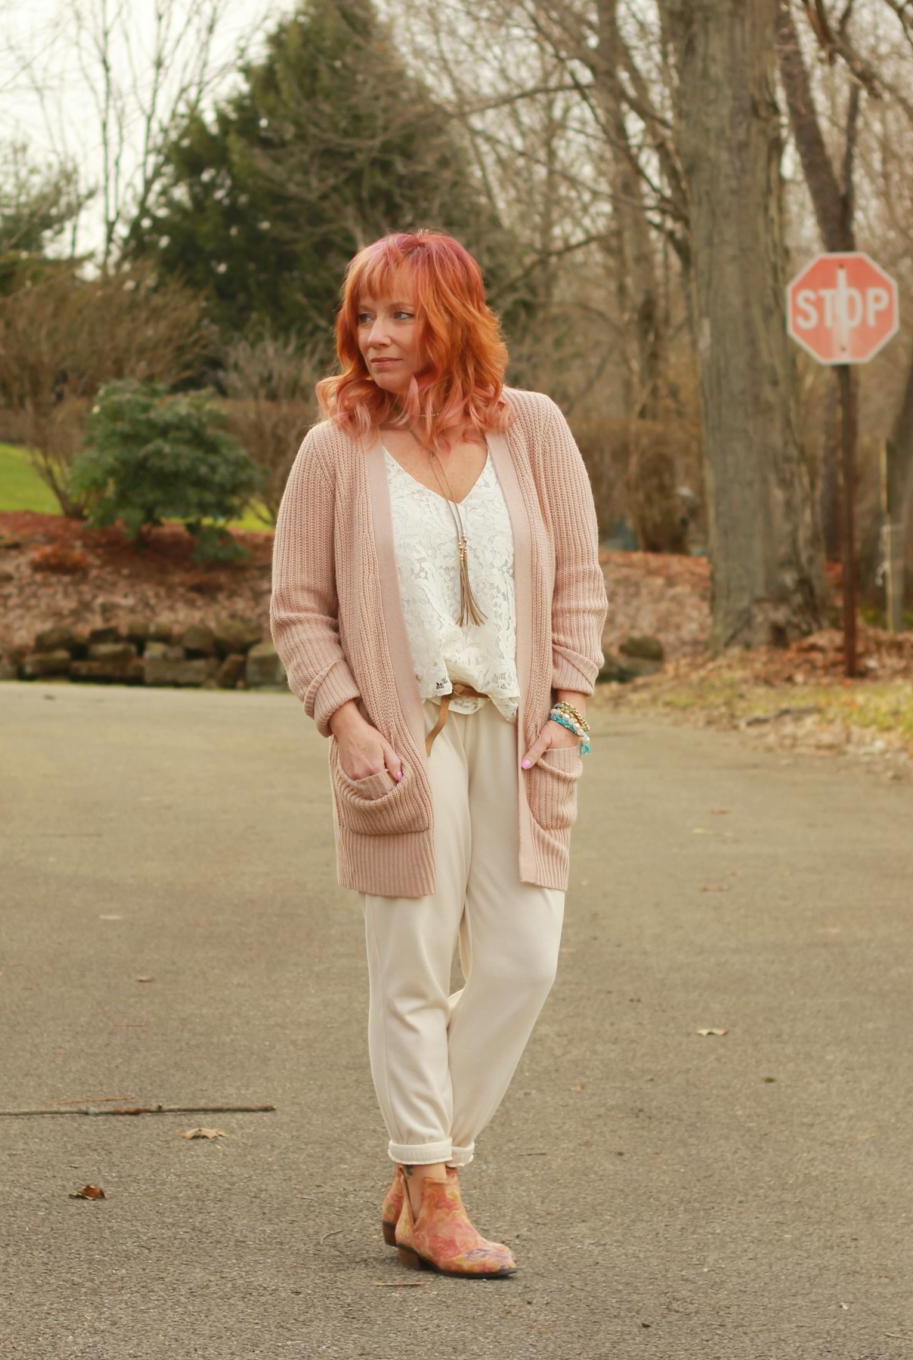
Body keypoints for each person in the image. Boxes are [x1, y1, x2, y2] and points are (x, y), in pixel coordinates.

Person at [269, 229, 608, 1278]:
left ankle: (426, 1162)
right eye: (363, 314)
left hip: (519, 736)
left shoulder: (532, 430)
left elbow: (580, 585)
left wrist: (570, 708)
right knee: (411, 966)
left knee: (524, 959)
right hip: (401, 742)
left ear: (450, 319)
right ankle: (433, 1186)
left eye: (400, 315)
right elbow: (298, 608)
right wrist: (349, 722)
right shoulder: (335, 448)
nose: (375, 335)